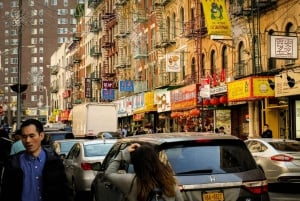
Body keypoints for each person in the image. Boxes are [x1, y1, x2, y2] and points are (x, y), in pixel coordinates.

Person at [0, 119, 71, 201]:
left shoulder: (54, 162)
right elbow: (6, 193)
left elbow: (63, 192)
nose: (27, 140)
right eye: (24, 137)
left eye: (32, 136)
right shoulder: (13, 163)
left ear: (41, 136)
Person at [105, 143, 183, 201]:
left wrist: (122, 154)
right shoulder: (169, 181)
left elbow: (109, 173)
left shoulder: (131, 181)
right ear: (155, 160)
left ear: (136, 164)